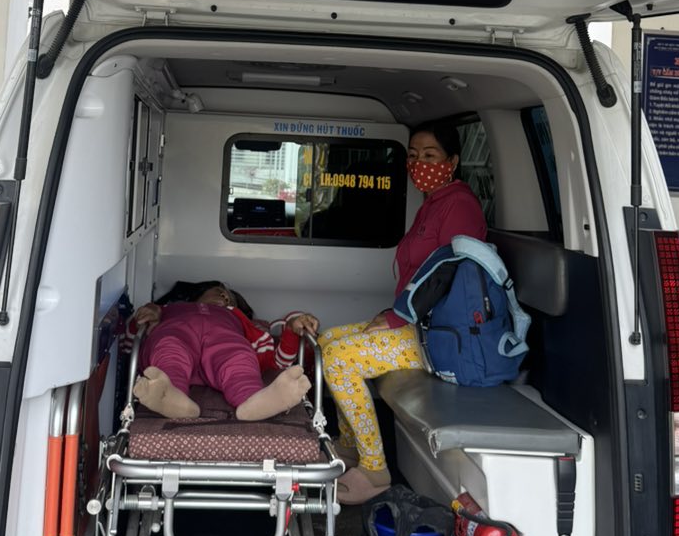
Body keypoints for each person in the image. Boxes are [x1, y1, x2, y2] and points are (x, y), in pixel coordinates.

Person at [320, 123, 487, 505]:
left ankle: (375, 469)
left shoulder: (459, 205)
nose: (418, 164)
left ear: (452, 161)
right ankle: (350, 446)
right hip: (418, 322)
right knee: (328, 338)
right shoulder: (434, 202)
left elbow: (448, 272)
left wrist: (398, 318)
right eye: (412, 155)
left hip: (442, 336)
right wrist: (395, 312)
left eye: (430, 155)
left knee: (338, 358)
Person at [126, 279, 320, 422]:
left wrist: (292, 327)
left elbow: (276, 361)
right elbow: (128, 342)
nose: (225, 297)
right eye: (219, 292)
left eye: (230, 299)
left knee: (239, 357)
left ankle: (253, 400)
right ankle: (171, 396)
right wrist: (145, 316)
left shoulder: (240, 319)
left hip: (222, 340)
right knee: (169, 349)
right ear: (198, 296)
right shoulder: (168, 309)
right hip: (178, 333)